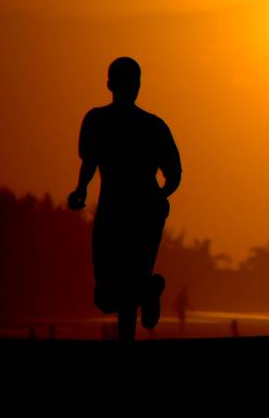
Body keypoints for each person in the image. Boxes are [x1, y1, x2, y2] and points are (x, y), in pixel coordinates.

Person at [68, 57, 181, 341]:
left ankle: (130, 330)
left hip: (132, 214)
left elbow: (174, 174)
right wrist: (81, 189)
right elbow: (174, 175)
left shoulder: (139, 124)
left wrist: (157, 200)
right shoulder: (108, 122)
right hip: (120, 212)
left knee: (124, 290)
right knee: (109, 296)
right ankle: (149, 290)